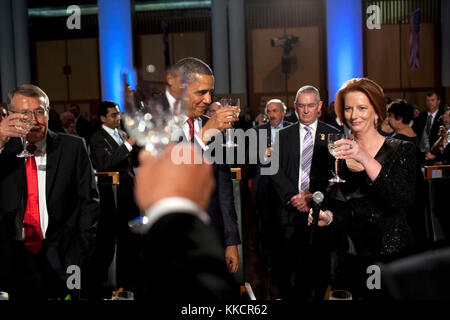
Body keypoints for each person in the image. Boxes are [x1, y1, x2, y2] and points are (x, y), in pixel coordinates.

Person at [310, 78, 416, 300]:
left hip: (385, 254)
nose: (353, 115)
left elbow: (400, 200)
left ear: (377, 112)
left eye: (362, 108)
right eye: (348, 108)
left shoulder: (402, 151)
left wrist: (363, 157)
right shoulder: (332, 154)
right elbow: (337, 204)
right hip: (345, 254)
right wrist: (327, 216)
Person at [0, 84, 99, 300]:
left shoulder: (73, 147)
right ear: (10, 116)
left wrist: (81, 249)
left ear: (48, 112)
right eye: (25, 113)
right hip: (15, 256)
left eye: (39, 112)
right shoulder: (4, 150)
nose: (34, 120)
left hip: (65, 255)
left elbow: (89, 201)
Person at [162, 57, 241, 274]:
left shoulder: (211, 127)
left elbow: (224, 191)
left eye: (210, 92)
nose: (208, 99)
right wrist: (204, 135)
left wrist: (230, 241)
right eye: (201, 92)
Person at [134, 144, 239, 301]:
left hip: (210, 233)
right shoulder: (160, 134)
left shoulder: (216, 133)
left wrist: (231, 242)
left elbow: (225, 196)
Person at [270, 85, 340, 300]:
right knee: (291, 270)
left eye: (311, 105)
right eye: (302, 106)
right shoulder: (283, 135)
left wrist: (310, 196)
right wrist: (294, 197)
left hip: (320, 211)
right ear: (295, 107)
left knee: (319, 270)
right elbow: (275, 170)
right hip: (290, 211)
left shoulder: (333, 134)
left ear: (319, 106)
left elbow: (336, 176)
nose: (306, 111)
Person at [88, 100, 140, 297]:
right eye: (113, 115)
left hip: (129, 193)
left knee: (130, 240)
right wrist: (128, 145)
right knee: (110, 242)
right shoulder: (96, 138)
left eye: (118, 114)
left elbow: (128, 163)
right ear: (102, 118)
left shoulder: (122, 134)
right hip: (112, 197)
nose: (118, 118)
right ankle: (105, 285)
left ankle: (127, 283)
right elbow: (104, 163)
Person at [248, 99, 291, 276]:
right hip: (265, 184)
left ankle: (284, 262)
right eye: (269, 111)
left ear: (283, 112)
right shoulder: (256, 132)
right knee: (265, 224)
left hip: (287, 186)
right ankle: (265, 264)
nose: (272, 115)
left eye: (275, 111)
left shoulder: (292, 129)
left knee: (285, 225)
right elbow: (251, 159)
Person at [387, 100, 427, 244]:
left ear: (400, 119)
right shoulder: (413, 135)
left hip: (405, 188)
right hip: (418, 185)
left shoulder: (396, 141)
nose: (388, 119)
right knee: (417, 226)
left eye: (390, 116)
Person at [412, 91, 444, 165]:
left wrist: (435, 154)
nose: (430, 103)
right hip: (420, 155)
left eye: (432, 100)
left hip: (436, 155)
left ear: (438, 101)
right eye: (428, 100)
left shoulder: (444, 116)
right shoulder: (420, 116)